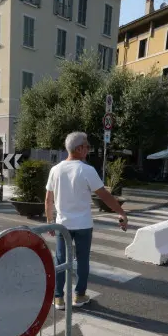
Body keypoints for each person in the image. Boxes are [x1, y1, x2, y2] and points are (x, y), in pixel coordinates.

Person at [46, 132, 128, 310]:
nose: (88, 150)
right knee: (82, 261)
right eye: (87, 146)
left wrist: (49, 220)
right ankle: (79, 296)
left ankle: (58, 298)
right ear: (79, 148)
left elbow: (48, 199)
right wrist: (121, 212)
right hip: (83, 225)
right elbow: (105, 196)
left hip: (62, 225)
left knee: (60, 260)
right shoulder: (87, 170)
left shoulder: (55, 170)